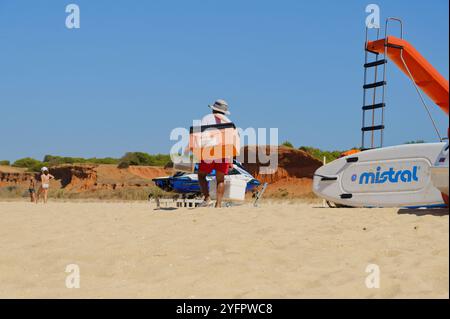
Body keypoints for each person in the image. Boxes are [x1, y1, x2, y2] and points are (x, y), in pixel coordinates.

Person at [197, 99, 233, 208]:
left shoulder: (207, 118)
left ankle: (207, 198)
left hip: (209, 151)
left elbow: (200, 134)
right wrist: (230, 160)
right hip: (224, 152)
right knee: (220, 179)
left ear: (213, 109)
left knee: (201, 175)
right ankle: (218, 204)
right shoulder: (229, 122)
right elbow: (232, 141)